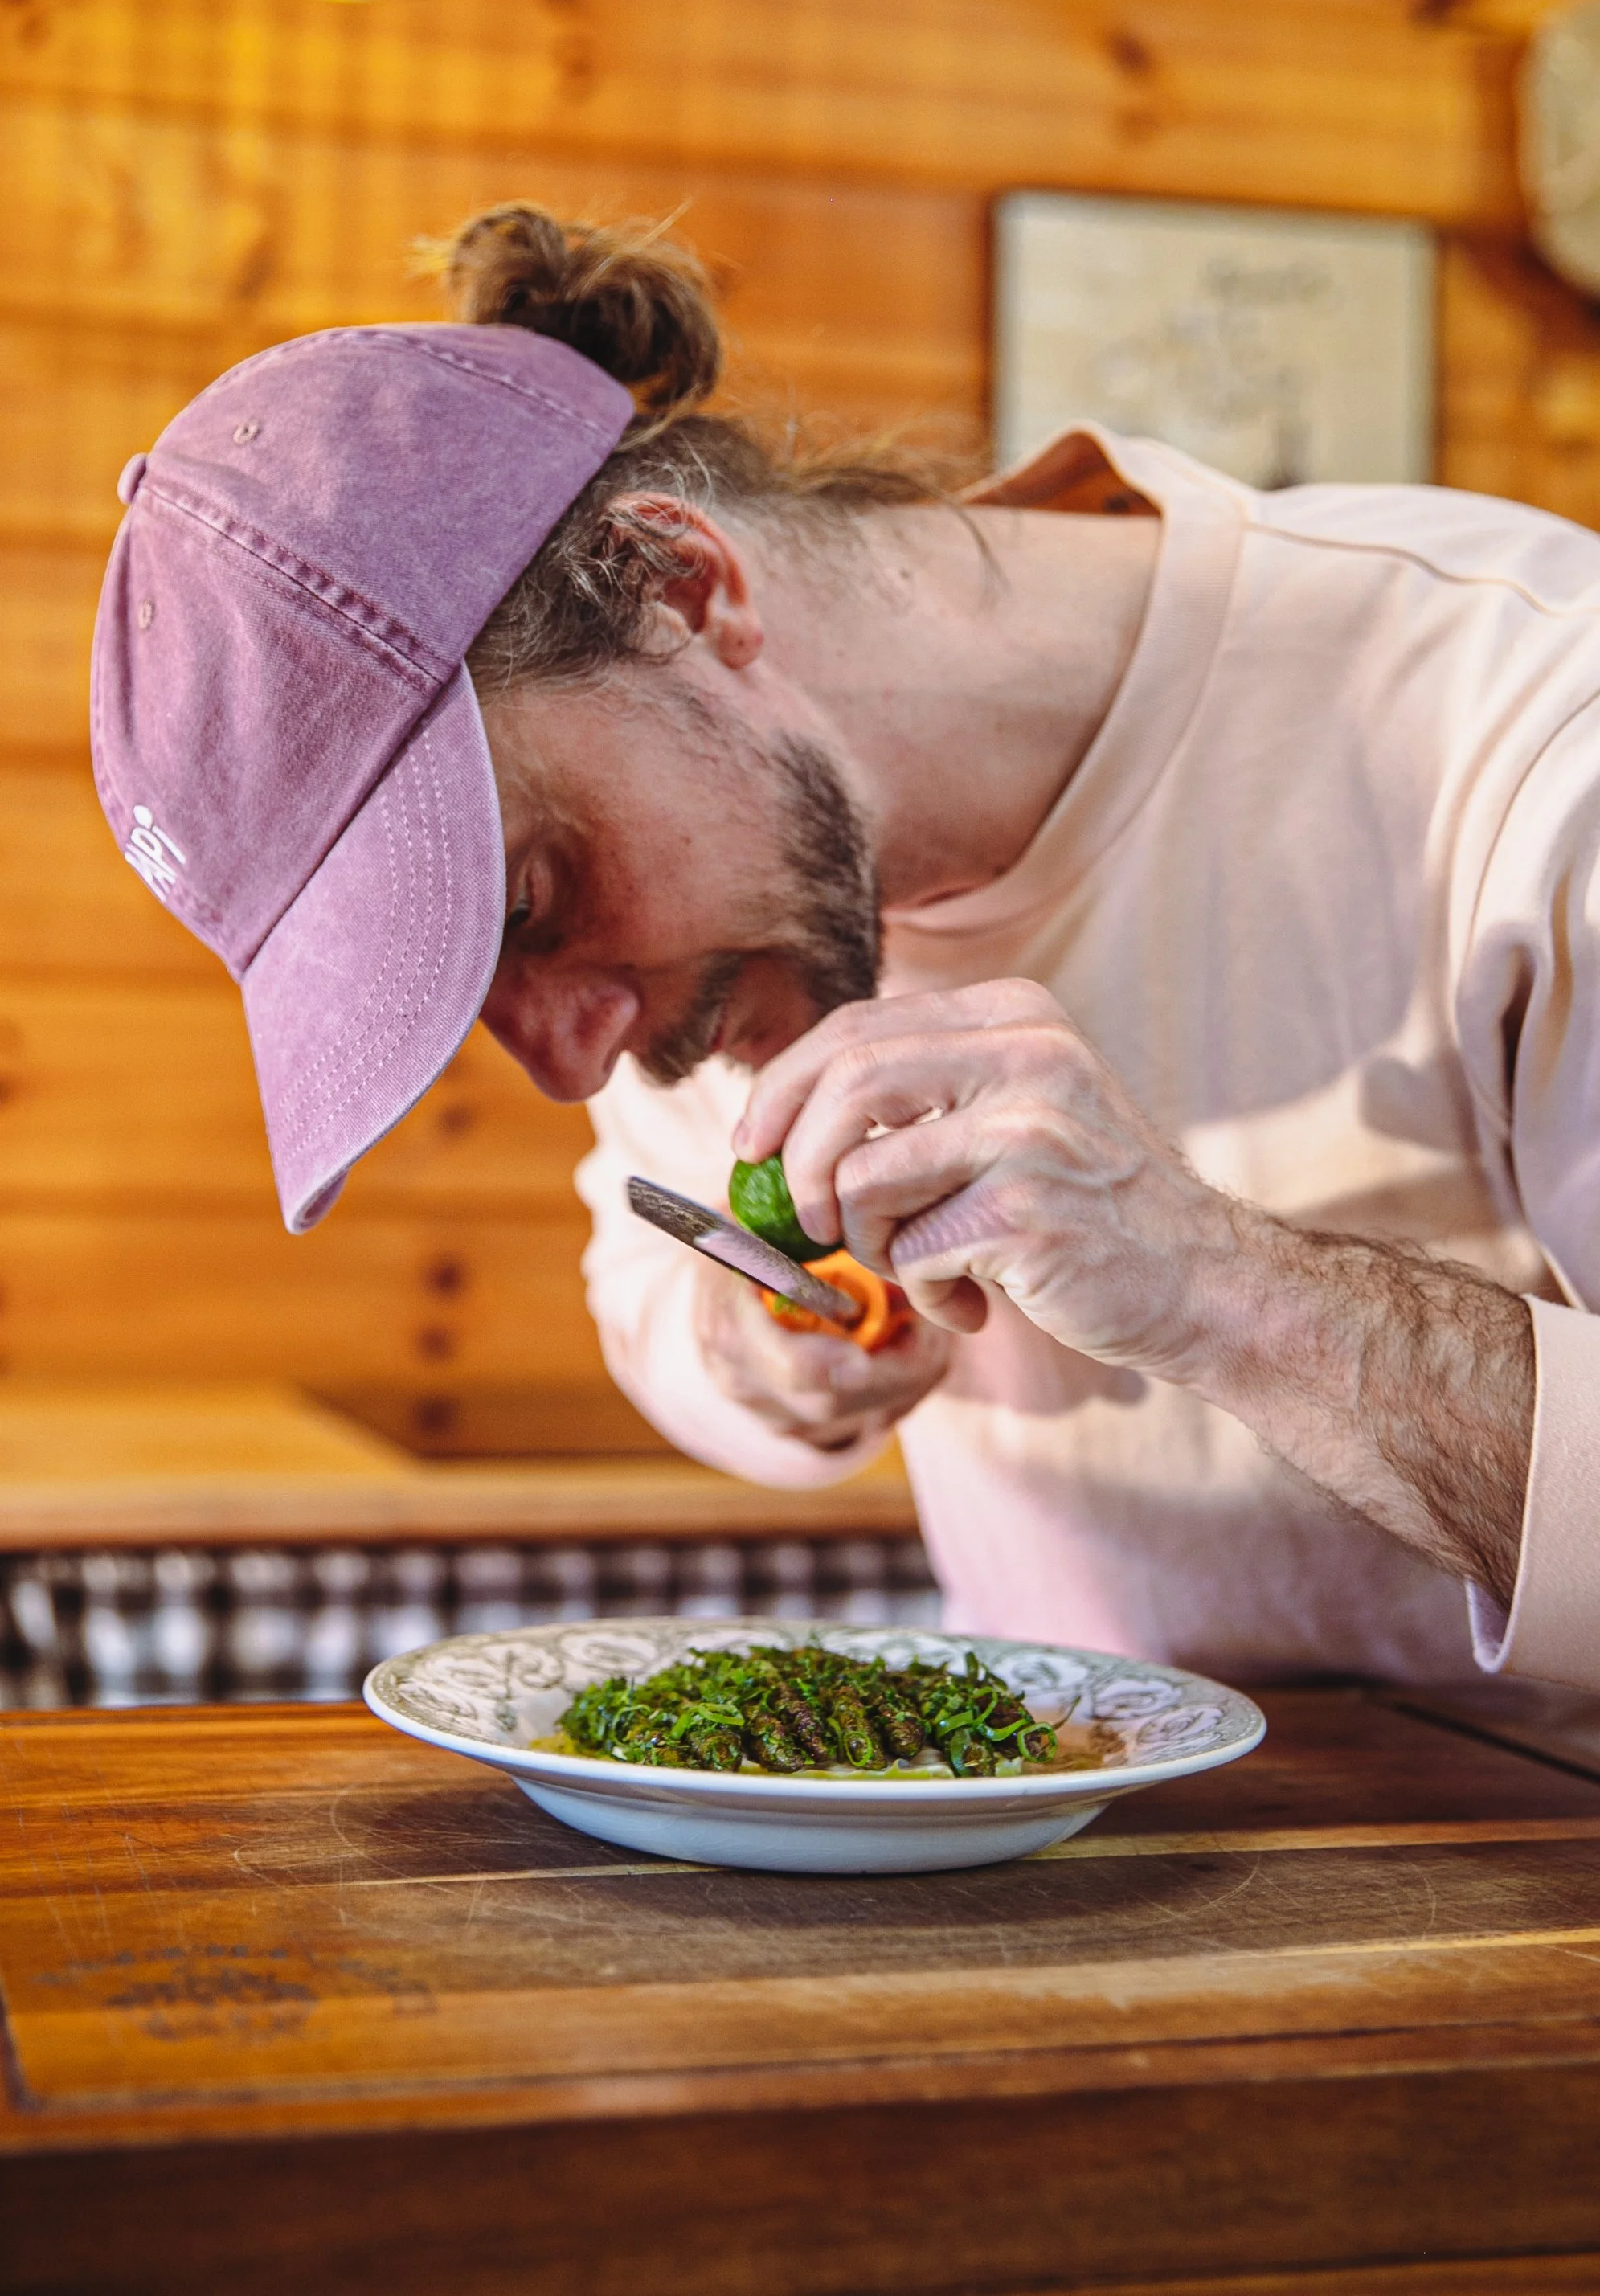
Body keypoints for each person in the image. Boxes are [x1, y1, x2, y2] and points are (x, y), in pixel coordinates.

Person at [93, 203, 1600, 1692]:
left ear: (681, 592)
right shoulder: (710, 907)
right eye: (472, 996)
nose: (569, 1059)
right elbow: (649, 1283)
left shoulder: (1527, 727)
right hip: (1039, 1873)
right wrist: (760, 1349)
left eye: (523, 911)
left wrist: (1217, 1285)